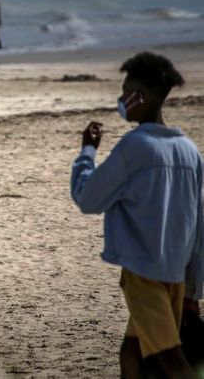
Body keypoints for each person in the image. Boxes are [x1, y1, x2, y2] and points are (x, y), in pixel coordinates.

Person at [70, 52, 202, 378]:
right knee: (132, 354)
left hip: (144, 274)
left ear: (139, 97)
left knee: (172, 361)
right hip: (176, 274)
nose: (121, 98)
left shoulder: (135, 146)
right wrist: (193, 292)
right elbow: (199, 226)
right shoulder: (189, 150)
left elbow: (88, 199)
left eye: (125, 90)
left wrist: (87, 151)